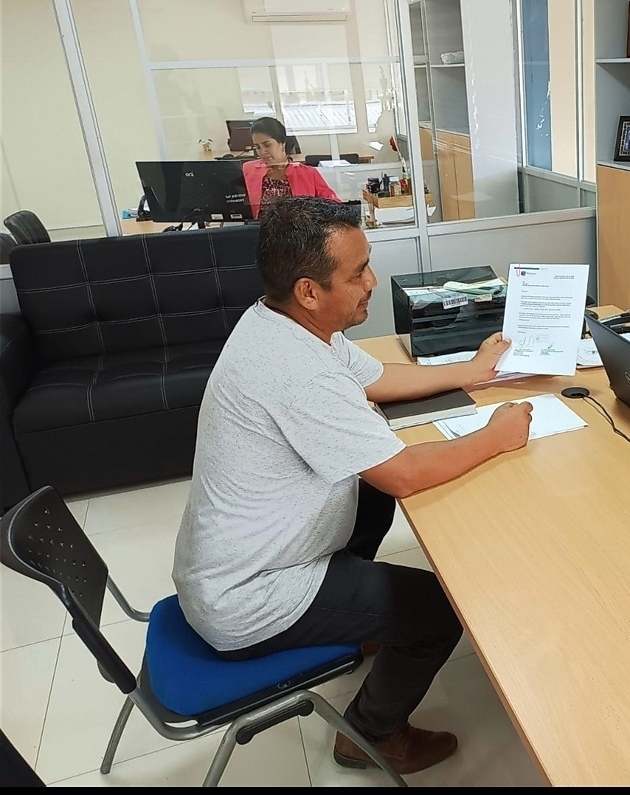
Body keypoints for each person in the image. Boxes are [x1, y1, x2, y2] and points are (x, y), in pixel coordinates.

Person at [172, 196, 533, 775]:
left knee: (370, 495)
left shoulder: (282, 322)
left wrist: (472, 371)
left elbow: (377, 377)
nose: (372, 282)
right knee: (440, 610)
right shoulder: (296, 369)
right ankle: (368, 735)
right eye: (357, 273)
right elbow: (403, 473)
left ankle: (361, 626)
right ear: (309, 291)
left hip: (239, 558)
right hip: (249, 596)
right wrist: (496, 436)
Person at [242, 116, 339, 218]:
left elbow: (334, 205)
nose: (262, 152)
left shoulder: (309, 174)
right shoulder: (248, 170)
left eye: (267, 145)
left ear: (282, 144)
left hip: (297, 226)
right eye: (258, 147)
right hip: (259, 226)